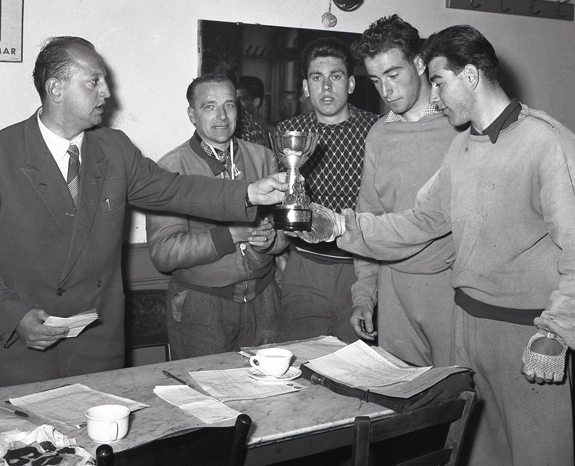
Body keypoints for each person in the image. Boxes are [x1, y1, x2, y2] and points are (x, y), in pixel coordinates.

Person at [298, 25, 575, 465]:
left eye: (440, 82)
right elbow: (419, 220)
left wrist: (557, 333)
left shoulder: (548, 142)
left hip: (527, 331)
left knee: (539, 455)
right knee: (476, 454)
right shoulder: (462, 145)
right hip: (467, 323)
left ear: (470, 76)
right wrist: (338, 226)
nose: (435, 96)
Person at [0, 36, 288, 387]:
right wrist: (12, 314)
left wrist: (248, 192)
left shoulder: (114, 149)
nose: (107, 92)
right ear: (55, 89)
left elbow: (174, 189)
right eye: (94, 81)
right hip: (22, 349)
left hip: (97, 348)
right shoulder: (5, 153)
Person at [146, 71, 289, 358]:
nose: (222, 116)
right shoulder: (170, 168)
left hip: (264, 297)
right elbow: (164, 253)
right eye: (209, 106)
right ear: (192, 114)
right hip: (202, 303)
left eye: (229, 105)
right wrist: (230, 235)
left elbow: (284, 232)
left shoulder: (263, 157)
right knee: (203, 385)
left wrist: (271, 241)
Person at [349, 15, 459, 366]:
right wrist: (365, 295)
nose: (385, 90)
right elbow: (369, 218)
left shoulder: (460, 127)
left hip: (451, 290)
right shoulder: (378, 134)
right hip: (394, 290)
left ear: (420, 63)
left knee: (456, 393)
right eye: (375, 79)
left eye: (393, 75)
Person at [276, 36, 378, 343]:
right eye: (317, 78)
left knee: (356, 363)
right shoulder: (289, 133)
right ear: (306, 86)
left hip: (361, 267)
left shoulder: (376, 130)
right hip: (304, 265)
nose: (326, 87)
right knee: (300, 358)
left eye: (336, 76)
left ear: (350, 84)